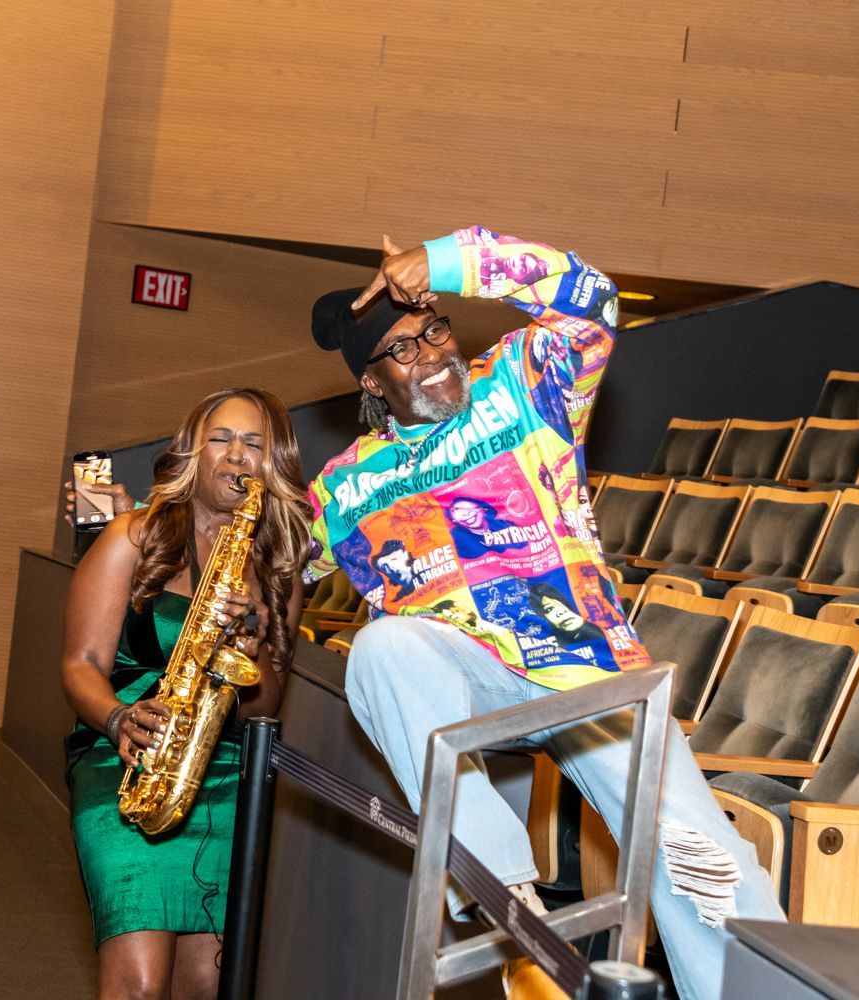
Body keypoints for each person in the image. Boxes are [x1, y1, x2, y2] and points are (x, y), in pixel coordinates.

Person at [305, 228, 783, 1000]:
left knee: (704, 863)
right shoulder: (345, 486)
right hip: (470, 678)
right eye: (402, 348)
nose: (432, 353)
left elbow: (594, 300)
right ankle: (510, 911)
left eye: (435, 329)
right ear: (372, 383)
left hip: (586, 666)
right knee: (382, 648)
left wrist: (449, 260)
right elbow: (266, 563)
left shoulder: (522, 383)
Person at [61, 388, 310, 1000]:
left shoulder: (279, 566)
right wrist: (117, 719)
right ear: (192, 453)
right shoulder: (132, 536)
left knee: (205, 987)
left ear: (274, 462)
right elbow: (80, 664)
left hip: (224, 773)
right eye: (220, 439)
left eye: (254, 444)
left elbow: (265, 707)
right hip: (125, 762)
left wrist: (253, 638)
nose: (236, 456)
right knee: (141, 986)